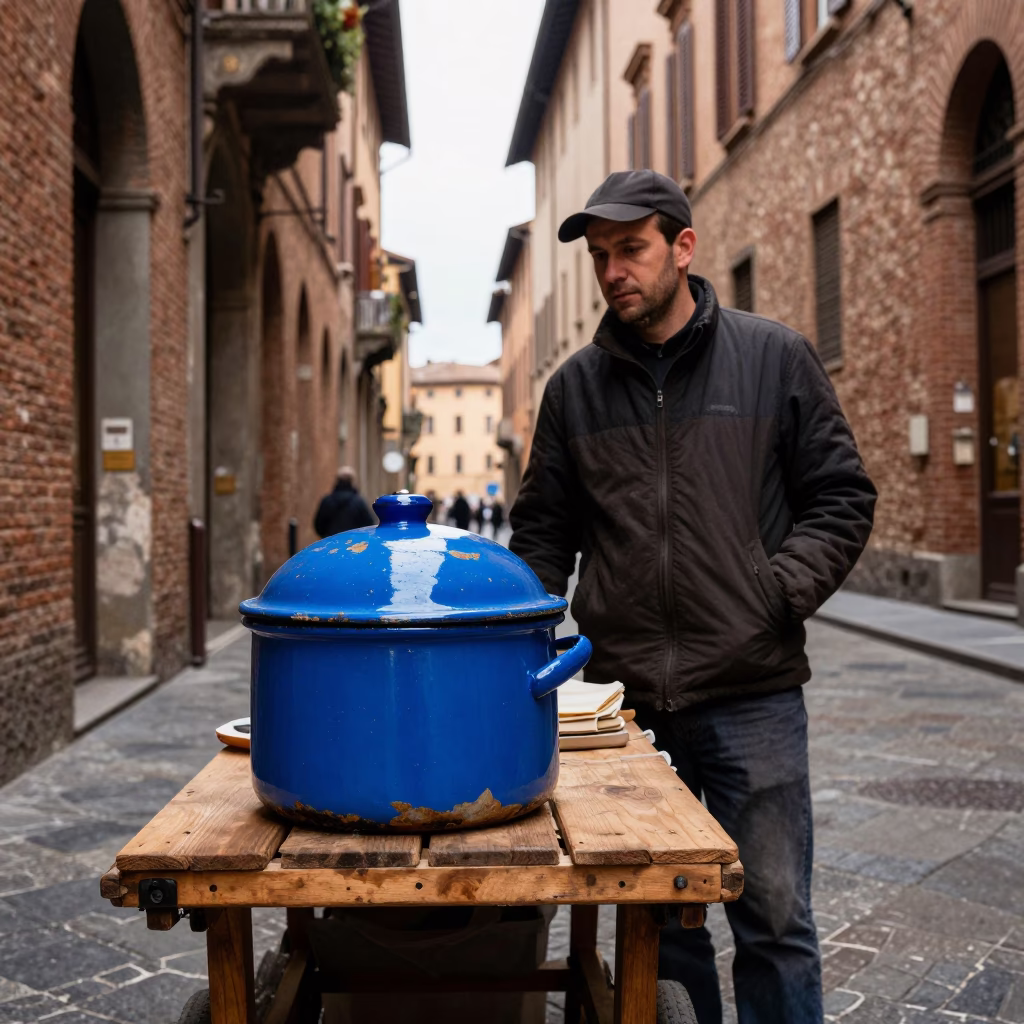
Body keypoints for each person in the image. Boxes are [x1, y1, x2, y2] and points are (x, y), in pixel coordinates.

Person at [509, 170, 876, 1024]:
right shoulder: (573, 391)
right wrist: (512, 640)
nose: (612, 272)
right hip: (629, 707)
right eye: (600, 257)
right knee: (661, 929)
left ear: (683, 247)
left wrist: (774, 593)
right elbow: (541, 539)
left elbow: (842, 497)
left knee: (776, 920)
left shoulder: (774, 357)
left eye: (630, 250)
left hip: (753, 695)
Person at [313, 466, 375, 538]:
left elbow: (319, 525)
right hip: (353, 544)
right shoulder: (359, 502)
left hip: (331, 543)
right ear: (352, 481)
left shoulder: (327, 501)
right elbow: (369, 524)